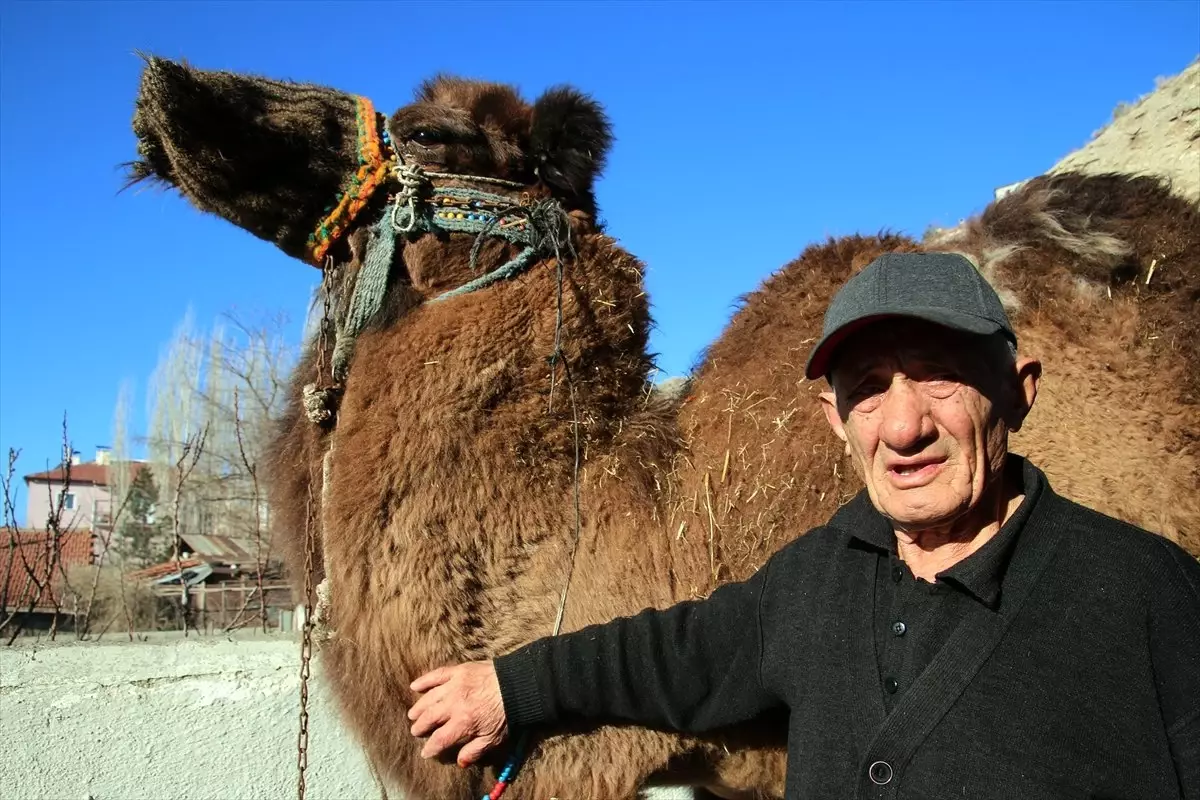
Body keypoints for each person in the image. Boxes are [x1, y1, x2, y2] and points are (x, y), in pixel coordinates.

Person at [406, 252, 1200, 798]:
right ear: (835, 419)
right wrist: (509, 685)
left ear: (1018, 390)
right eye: (869, 390)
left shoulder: (1145, 594)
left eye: (940, 377)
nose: (903, 426)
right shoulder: (817, 579)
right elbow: (674, 655)